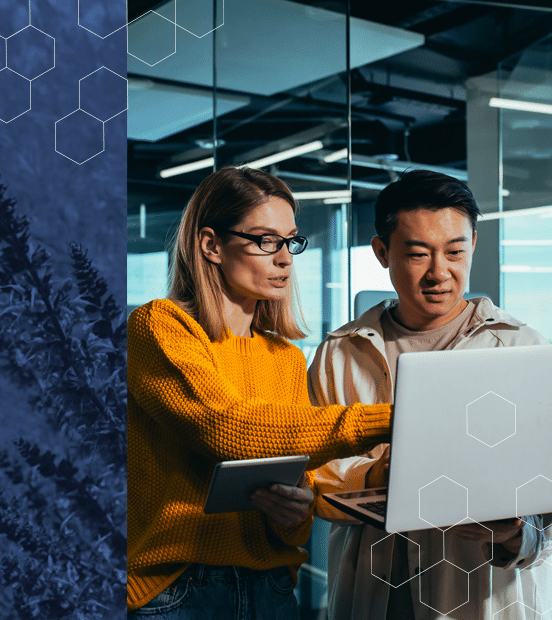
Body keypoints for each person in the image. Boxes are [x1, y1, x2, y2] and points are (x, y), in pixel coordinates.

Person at [126, 166, 393, 619]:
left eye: (290, 241)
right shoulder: (159, 327)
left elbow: (297, 494)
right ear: (211, 245)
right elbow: (227, 427)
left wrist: (295, 510)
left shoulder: (285, 357)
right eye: (266, 240)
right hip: (178, 590)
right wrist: (391, 418)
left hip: (270, 591)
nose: (285, 257)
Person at [310, 170, 552, 620]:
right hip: (370, 597)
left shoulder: (524, 349)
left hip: (482, 600)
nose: (440, 273)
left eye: (456, 252)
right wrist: (385, 474)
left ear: (474, 245)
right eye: (418, 254)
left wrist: (513, 535)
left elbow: (547, 513)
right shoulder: (339, 354)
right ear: (382, 252)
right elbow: (315, 476)